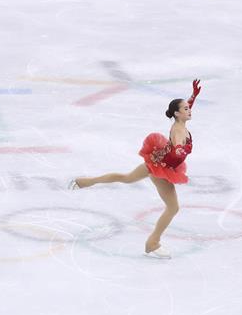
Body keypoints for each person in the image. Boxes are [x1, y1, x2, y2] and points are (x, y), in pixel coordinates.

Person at [70, 79, 202, 259]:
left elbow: (182, 117)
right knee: (173, 208)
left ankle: (83, 182)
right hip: (162, 170)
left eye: (189, 107)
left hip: (157, 162)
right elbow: (178, 148)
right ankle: (152, 243)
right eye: (186, 108)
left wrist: (193, 96)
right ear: (177, 114)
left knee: (126, 178)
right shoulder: (178, 130)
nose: (190, 109)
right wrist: (181, 149)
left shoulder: (181, 122)